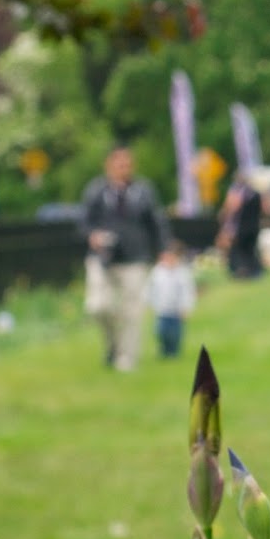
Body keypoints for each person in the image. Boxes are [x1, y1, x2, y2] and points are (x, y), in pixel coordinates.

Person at [81, 146, 170, 371]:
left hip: (134, 258)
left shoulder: (143, 190)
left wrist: (164, 249)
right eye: (119, 164)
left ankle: (127, 358)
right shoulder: (96, 191)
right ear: (108, 165)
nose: (124, 169)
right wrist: (92, 236)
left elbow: (156, 221)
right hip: (102, 258)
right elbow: (83, 222)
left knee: (132, 311)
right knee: (98, 306)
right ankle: (113, 345)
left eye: (127, 164)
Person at [147, 240, 196, 359]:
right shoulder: (157, 272)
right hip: (162, 309)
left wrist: (186, 307)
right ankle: (164, 349)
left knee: (175, 333)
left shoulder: (183, 273)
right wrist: (150, 301)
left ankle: (173, 351)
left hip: (176, 311)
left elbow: (187, 292)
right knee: (161, 331)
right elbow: (150, 288)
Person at [217, 172, 270, 279]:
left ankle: (241, 272)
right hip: (254, 226)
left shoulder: (237, 192)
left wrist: (224, 218)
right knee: (251, 249)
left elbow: (233, 207)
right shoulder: (256, 193)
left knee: (239, 250)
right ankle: (256, 272)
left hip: (241, 227)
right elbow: (267, 209)